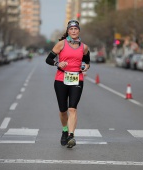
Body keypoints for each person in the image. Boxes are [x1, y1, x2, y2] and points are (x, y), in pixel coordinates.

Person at [45, 20, 90, 148]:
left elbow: (87, 61)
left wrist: (86, 66)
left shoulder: (84, 47)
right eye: (71, 29)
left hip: (77, 79)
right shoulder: (61, 44)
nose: (74, 31)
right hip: (61, 80)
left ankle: (71, 135)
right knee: (63, 110)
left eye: (76, 29)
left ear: (79, 31)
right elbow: (48, 59)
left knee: (73, 108)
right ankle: (64, 130)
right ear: (68, 31)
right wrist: (57, 63)